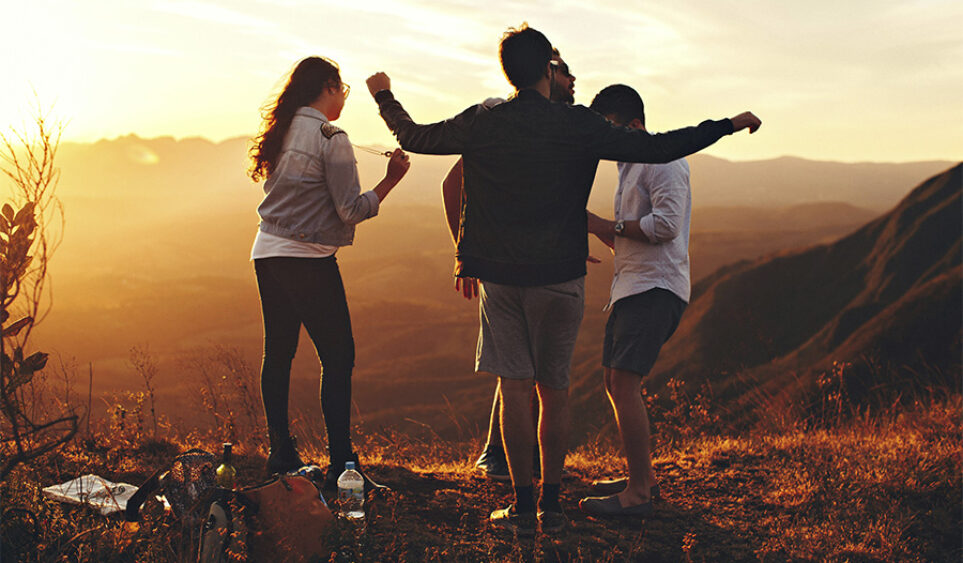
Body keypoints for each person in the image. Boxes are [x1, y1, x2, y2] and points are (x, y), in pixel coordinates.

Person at [366, 24, 760, 536]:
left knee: (515, 390)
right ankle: (552, 505)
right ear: (548, 71)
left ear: (509, 71)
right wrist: (726, 124)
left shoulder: (484, 121)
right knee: (555, 391)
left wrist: (384, 97)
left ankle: (523, 508)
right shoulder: (576, 124)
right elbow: (661, 147)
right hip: (561, 275)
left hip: (502, 277)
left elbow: (416, 136)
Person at [248, 56, 410, 489]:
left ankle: (280, 454)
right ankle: (344, 466)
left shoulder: (282, 130)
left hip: (266, 251)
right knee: (338, 357)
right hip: (309, 259)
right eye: (343, 90)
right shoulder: (331, 137)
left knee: (278, 353)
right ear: (328, 87)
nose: (343, 99)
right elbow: (350, 210)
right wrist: (391, 179)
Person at [441, 48, 577, 483]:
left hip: (535, 262)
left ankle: (512, 462)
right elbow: (452, 182)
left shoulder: (550, 127)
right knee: (517, 369)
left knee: (524, 368)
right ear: (544, 73)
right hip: (506, 266)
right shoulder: (501, 118)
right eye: (565, 72)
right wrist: (466, 253)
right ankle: (498, 457)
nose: (574, 82)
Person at [578, 84, 695, 517]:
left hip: (655, 288)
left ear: (632, 124)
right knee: (615, 382)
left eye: (606, 129)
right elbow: (632, 235)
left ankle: (639, 494)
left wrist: (606, 223)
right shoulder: (630, 165)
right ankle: (639, 476)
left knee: (624, 383)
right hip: (633, 286)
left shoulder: (661, 161)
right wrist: (594, 229)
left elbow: (664, 226)